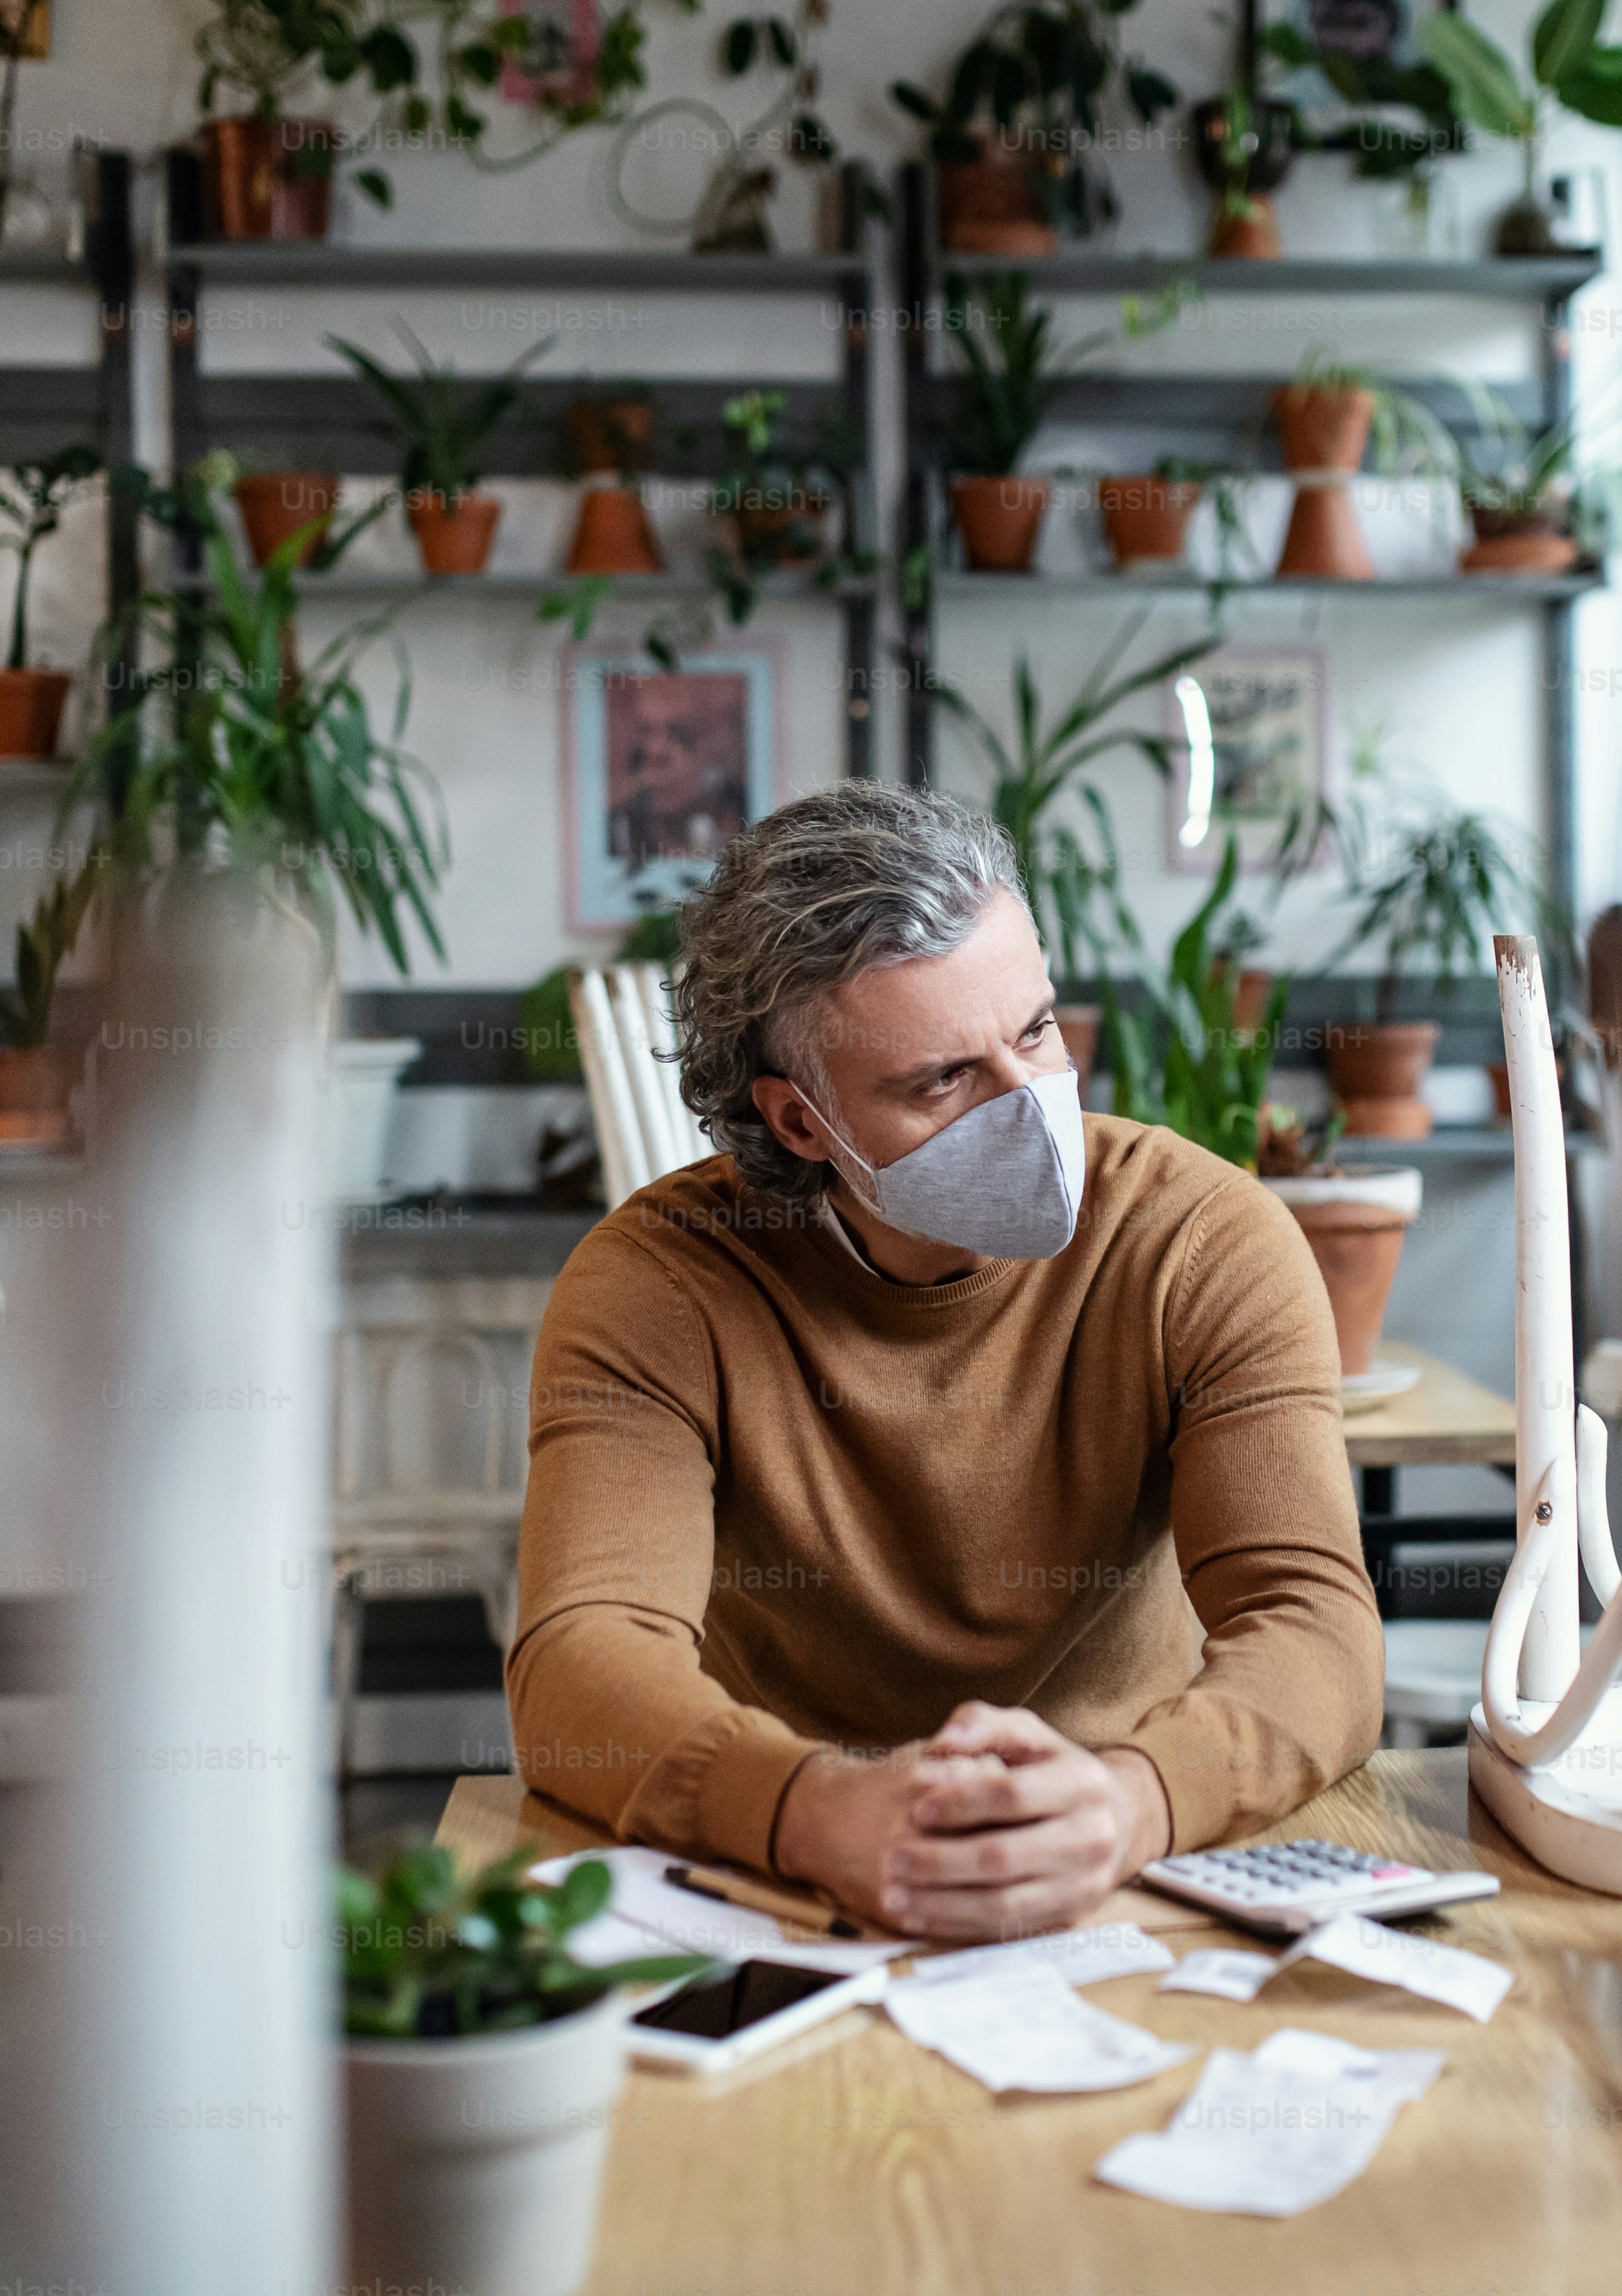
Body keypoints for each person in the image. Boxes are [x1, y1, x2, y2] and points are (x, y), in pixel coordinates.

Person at [507, 781, 1382, 1940]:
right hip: (792, 1882)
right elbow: (581, 1658)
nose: (1030, 1106)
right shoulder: (658, 1285)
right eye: (942, 1081)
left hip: (1117, 1860)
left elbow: (1311, 1619)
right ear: (801, 1122)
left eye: (1034, 1032)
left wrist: (1136, 1799)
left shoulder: (1201, 1238)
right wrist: (814, 1811)